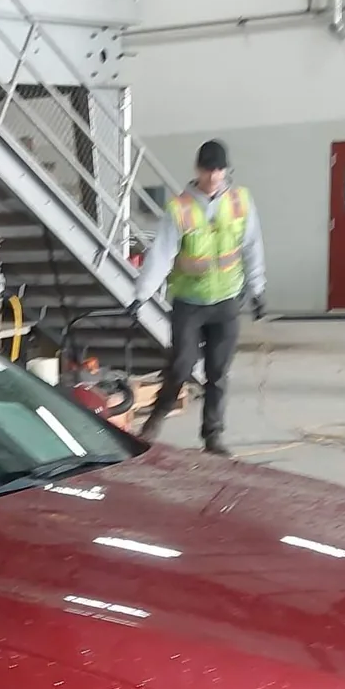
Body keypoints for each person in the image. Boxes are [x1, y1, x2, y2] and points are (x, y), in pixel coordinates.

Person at [128, 139, 267, 455]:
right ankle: (157, 416)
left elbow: (252, 246)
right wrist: (141, 295)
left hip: (226, 302)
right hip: (189, 304)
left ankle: (213, 436)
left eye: (219, 170)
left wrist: (257, 289)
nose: (213, 176)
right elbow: (162, 255)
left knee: (218, 372)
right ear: (197, 170)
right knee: (181, 365)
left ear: (226, 170)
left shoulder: (240, 202)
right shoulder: (180, 208)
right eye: (208, 170)